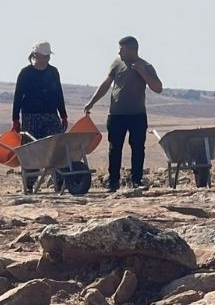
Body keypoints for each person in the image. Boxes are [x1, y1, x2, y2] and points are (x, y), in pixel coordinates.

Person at [83, 36, 162, 191]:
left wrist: (142, 72)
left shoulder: (146, 66)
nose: (119, 52)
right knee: (114, 148)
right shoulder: (116, 63)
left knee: (138, 147)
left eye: (122, 49)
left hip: (137, 115)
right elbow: (106, 84)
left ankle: (136, 180)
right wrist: (92, 101)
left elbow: (158, 87)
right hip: (116, 114)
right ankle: (113, 182)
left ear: (133, 50)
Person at [12, 40, 67, 139]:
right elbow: (18, 96)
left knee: (55, 145)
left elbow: (58, 94)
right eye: (44, 55)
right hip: (31, 116)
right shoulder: (25, 73)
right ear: (36, 55)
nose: (46, 58)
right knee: (32, 147)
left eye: (48, 56)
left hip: (51, 114)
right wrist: (15, 119)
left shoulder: (53, 72)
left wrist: (63, 115)